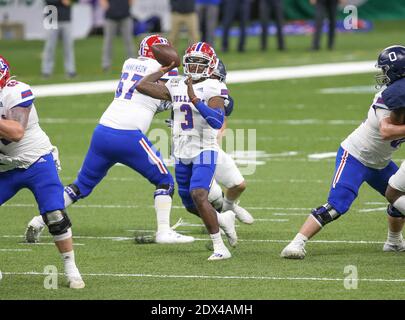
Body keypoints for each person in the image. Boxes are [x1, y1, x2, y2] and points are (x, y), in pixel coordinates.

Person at [25, 35, 194, 246]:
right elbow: (168, 97)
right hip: (129, 135)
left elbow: (146, 96)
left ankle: (39, 220)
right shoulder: (165, 69)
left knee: (81, 186)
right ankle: (164, 231)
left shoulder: (129, 63)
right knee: (165, 181)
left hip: (103, 131)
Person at [281, 45, 405, 259]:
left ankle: (393, 242)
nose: (382, 75)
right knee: (337, 205)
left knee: (399, 197)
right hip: (355, 156)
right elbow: (386, 131)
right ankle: (296, 243)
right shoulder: (387, 98)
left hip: (380, 162)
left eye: (385, 70)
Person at [137, 42, 238, 260]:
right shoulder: (175, 83)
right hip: (181, 150)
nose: (194, 67)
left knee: (199, 193)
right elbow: (142, 87)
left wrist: (195, 100)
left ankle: (220, 247)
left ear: (210, 65)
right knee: (190, 203)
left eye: (200, 63)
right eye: (191, 62)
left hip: (205, 148)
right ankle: (224, 219)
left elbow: (217, 120)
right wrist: (162, 70)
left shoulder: (214, 86)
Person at [0, 56, 84, 289]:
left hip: (37, 161)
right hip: (5, 167)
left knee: (54, 214)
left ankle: (70, 267)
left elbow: (16, 132)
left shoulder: (15, 92)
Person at [207, 60, 254, 224]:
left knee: (238, 185)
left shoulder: (221, 97)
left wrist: (216, 141)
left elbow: (221, 124)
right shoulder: (185, 93)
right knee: (212, 195)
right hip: (188, 151)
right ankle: (221, 218)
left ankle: (229, 207)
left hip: (210, 148)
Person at [378, 46, 405, 251]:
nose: (383, 74)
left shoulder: (396, 92)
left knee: (393, 193)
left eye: (385, 69)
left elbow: (388, 131)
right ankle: (393, 241)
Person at [42, 0, 76, 78]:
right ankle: (46, 71)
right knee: (50, 47)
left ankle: (70, 70)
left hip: (66, 18)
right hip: (51, 18)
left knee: (68, 46)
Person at [101, 0, 135, 72]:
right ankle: (106, 65)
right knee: (108, 41)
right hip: (110, 16)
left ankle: (133, 64)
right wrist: (106, 6)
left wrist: (127, 6)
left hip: (125, 15)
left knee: (128, 40)